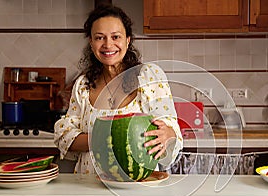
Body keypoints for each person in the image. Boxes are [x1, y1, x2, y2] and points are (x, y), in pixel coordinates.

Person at [54, 4, 183, 174]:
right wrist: (111, 139)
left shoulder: (149, 77)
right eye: (100, 38)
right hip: (89, 185)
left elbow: (170, 131)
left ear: (127, 40)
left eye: (116, 37)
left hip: (139, 187)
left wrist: (168, 134)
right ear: (91, 43)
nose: (108, 44)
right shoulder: (83, 85)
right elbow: (65, 136)